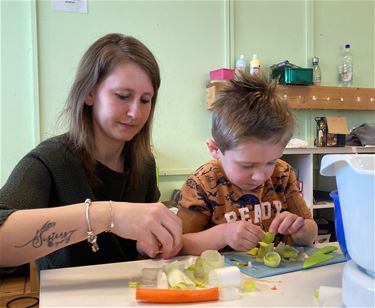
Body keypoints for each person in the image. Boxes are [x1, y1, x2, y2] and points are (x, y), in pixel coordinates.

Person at [0, 33, 182, 272]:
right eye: (123, 96)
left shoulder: (144, 164)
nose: (136, 113)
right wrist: (109, 215)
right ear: (89, 94)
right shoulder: (49, 161)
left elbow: (137, 249)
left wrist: (151, 244)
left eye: (146, 100)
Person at [176, 72, 318, 256]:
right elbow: (178, 245)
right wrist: (223, 234)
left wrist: (302, 231)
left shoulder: (282, 173)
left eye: (270, 162)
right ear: (215, 149)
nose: (260, 176)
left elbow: (310, 231)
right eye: (246, 165)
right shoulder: (202, 184)